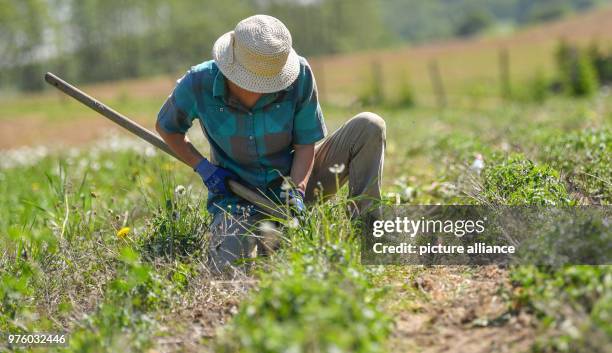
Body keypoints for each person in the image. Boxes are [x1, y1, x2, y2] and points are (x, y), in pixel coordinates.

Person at [156, 15, 386, 272]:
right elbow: (168, 128)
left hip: (292, 186)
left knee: (369, 124)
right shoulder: (198, 83)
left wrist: (297, 191)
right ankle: (268, 241)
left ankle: (368, 234)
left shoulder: (300, 76)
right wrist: (203, 167)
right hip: (236, 199)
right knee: (225, 274)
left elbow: (304, 144)